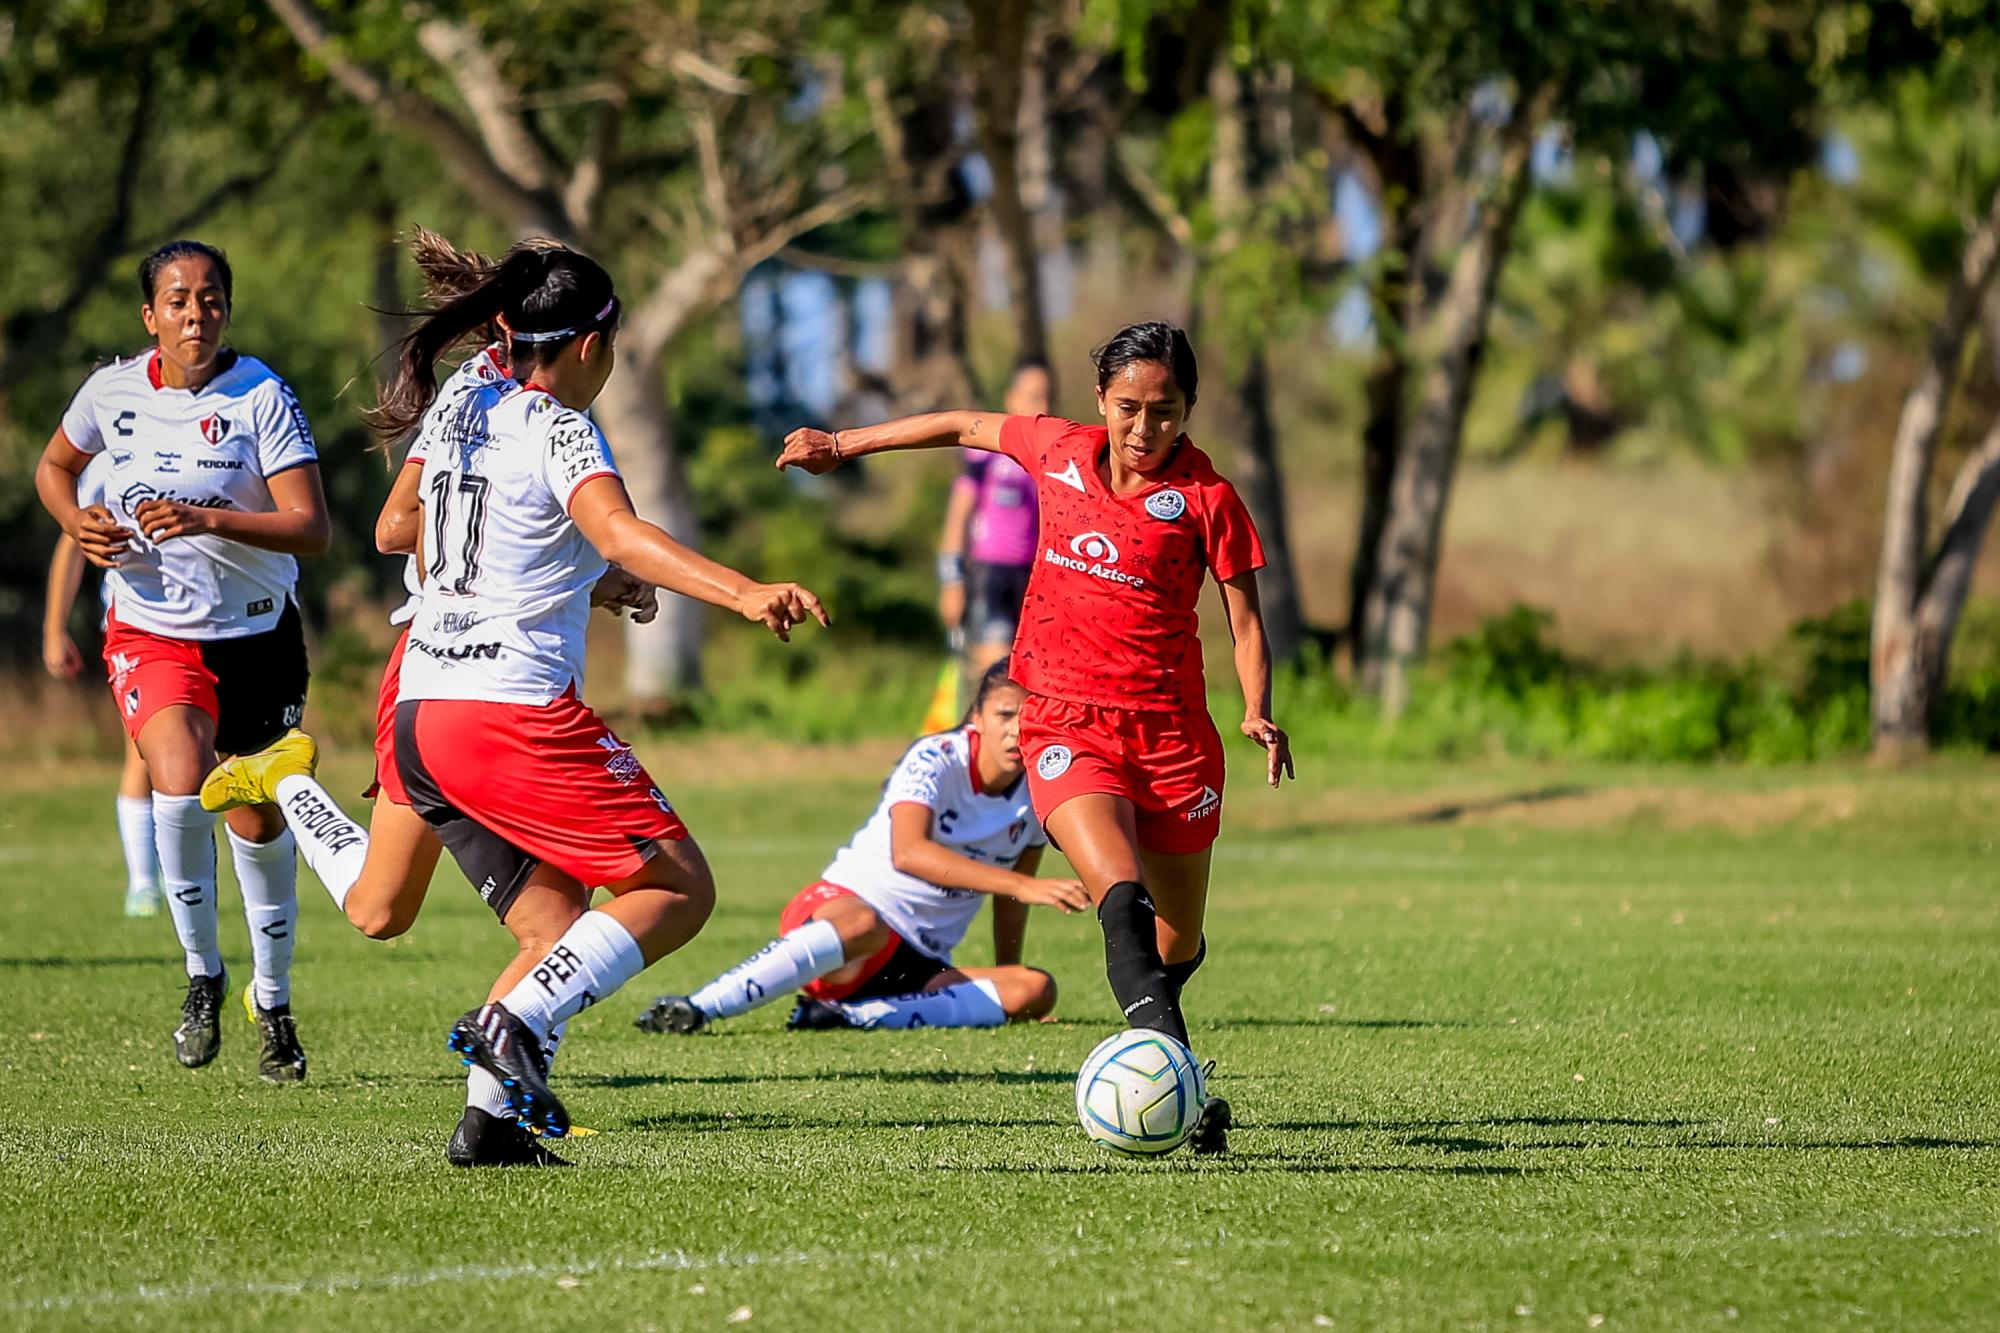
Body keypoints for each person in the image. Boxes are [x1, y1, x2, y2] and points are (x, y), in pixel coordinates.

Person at [207, 240, 827, 1167]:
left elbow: (395, 528)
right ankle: (511, 1023)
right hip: (505, 709)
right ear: (589, 343)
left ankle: (489, 1126)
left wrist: (577, 572)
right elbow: (617, 524)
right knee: (676, 887)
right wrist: (738, 592)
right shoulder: (561, 426)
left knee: (510, 923)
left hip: (423, 701)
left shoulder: (467, 400)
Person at [778, 321, 1295, 1155]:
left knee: (1175, 942)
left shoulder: (1210, 499)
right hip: (1064, 720)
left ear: (1190, 409)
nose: (1143, 428)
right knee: (1118, 896)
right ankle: (1176, 1088)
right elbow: (958, 425)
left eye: (1165, 412)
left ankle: (1172, 1071)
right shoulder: (1052, 447)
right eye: (1128, 407)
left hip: (1172, 742)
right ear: (1100, 399)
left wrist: (1257, 708)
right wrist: (843, 442)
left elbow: (1245, 621)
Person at [34, 239, 328, 1083]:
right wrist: (73, 522)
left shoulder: (262, 396)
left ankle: (273, 1001)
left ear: (227, 309)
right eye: (177, 299)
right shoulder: (112, 392)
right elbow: (56, 467)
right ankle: (203, 973)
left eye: (210, 299)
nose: (195, 313)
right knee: (177, 776)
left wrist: (210, 520)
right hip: (151, 629)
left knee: (255, 819)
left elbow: (311, 526)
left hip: (259, 635)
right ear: (149, 315)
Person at [636, 659, 1089, 1036]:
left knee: (1033, 989)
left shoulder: (1036, 790)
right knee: (866, 924)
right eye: (1004, 715)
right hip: (845, 924)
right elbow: (908, 853)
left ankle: (849, 1018)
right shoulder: (936, 757)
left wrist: (1007, 968)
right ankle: (697, 1008)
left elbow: (1015, 895)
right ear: (977, 716)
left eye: (1028, 718)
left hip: (921, 964)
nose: (1016, 731)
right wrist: (1020, 885)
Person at [44, 461, 162, 919]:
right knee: (143, 753)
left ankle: (182, 875)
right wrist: (55, 629)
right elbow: (73, 539)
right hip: (138, 630)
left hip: (222, 626)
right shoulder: (114, 456)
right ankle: (145, 884)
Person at [937, 359, 1050, 681]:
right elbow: (958, 518)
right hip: (990, 575)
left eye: (1047, 397)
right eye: (1033, 397)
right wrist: (951, 580)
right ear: (1011, 399)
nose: (1042, 407)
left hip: (1035, 580)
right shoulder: (986, 454)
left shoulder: (1053, 458)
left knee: (1030, 681)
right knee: (999, 675)